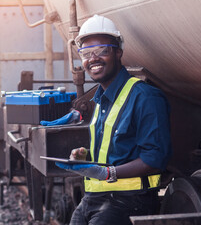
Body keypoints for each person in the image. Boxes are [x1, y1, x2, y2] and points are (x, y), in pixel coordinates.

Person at [55, 15, 172, 225]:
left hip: (129, 202)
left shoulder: (145, 97)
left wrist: (108, 173)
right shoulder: (100, 99)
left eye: (102, 50)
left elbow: (155, 159)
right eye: (86, 53)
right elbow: (117, 150)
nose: (93, 58)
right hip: (94, 199)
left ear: (118, 52)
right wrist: (84, 156)